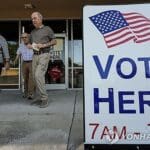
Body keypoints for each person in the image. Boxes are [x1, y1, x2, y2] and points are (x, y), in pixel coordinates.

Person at [28, 12, 56, 108]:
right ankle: (40, 97)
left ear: (40, 18)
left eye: (35, 18)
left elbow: (54, 41)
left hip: (44, 54)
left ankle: (45, 98)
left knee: (38, 75)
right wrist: (29, 45)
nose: (33, 20)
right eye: (32, 19)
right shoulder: (32, 32)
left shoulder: (47, 29)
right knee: (34, 77)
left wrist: (43, 45)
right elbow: (30, 43)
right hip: (35, 55)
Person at [14, 33, 34, 99]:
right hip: (24, 63)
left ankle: (30, 94)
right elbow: (18, 54)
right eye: (22, 37)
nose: (24, 38)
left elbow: (38, 52)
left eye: (25, 37)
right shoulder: (21, 45)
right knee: (25, 79)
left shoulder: (33, 44)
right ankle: (25, 93)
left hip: (32, 63)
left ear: (28, 37)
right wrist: (15, 60)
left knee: (31, 79)